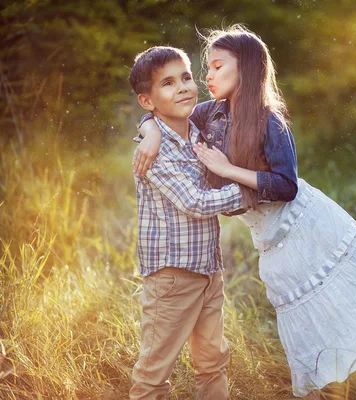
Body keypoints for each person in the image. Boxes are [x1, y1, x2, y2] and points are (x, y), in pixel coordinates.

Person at [133, 26, 356, 398]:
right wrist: (150, 130)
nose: (207, 76)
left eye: (217, 66)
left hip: (303, 221)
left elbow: (286, 186)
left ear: (248, 70)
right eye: (206, 67)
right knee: (304, 309)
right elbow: (166, 118)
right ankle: (329, 380)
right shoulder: (210, 114)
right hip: (269, 236)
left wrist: (228, 171)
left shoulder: (270, 122)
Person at [128, 45, 250, 400]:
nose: (182, 87)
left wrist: (149, 123)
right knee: (155, 370)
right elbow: (195, 203)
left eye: (185, 77)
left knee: (213, 360)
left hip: (208, 269)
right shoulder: (155, 151)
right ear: (147, 100)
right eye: (167, 83)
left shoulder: (196, 130)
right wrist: (252, 190)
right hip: (172, 275)